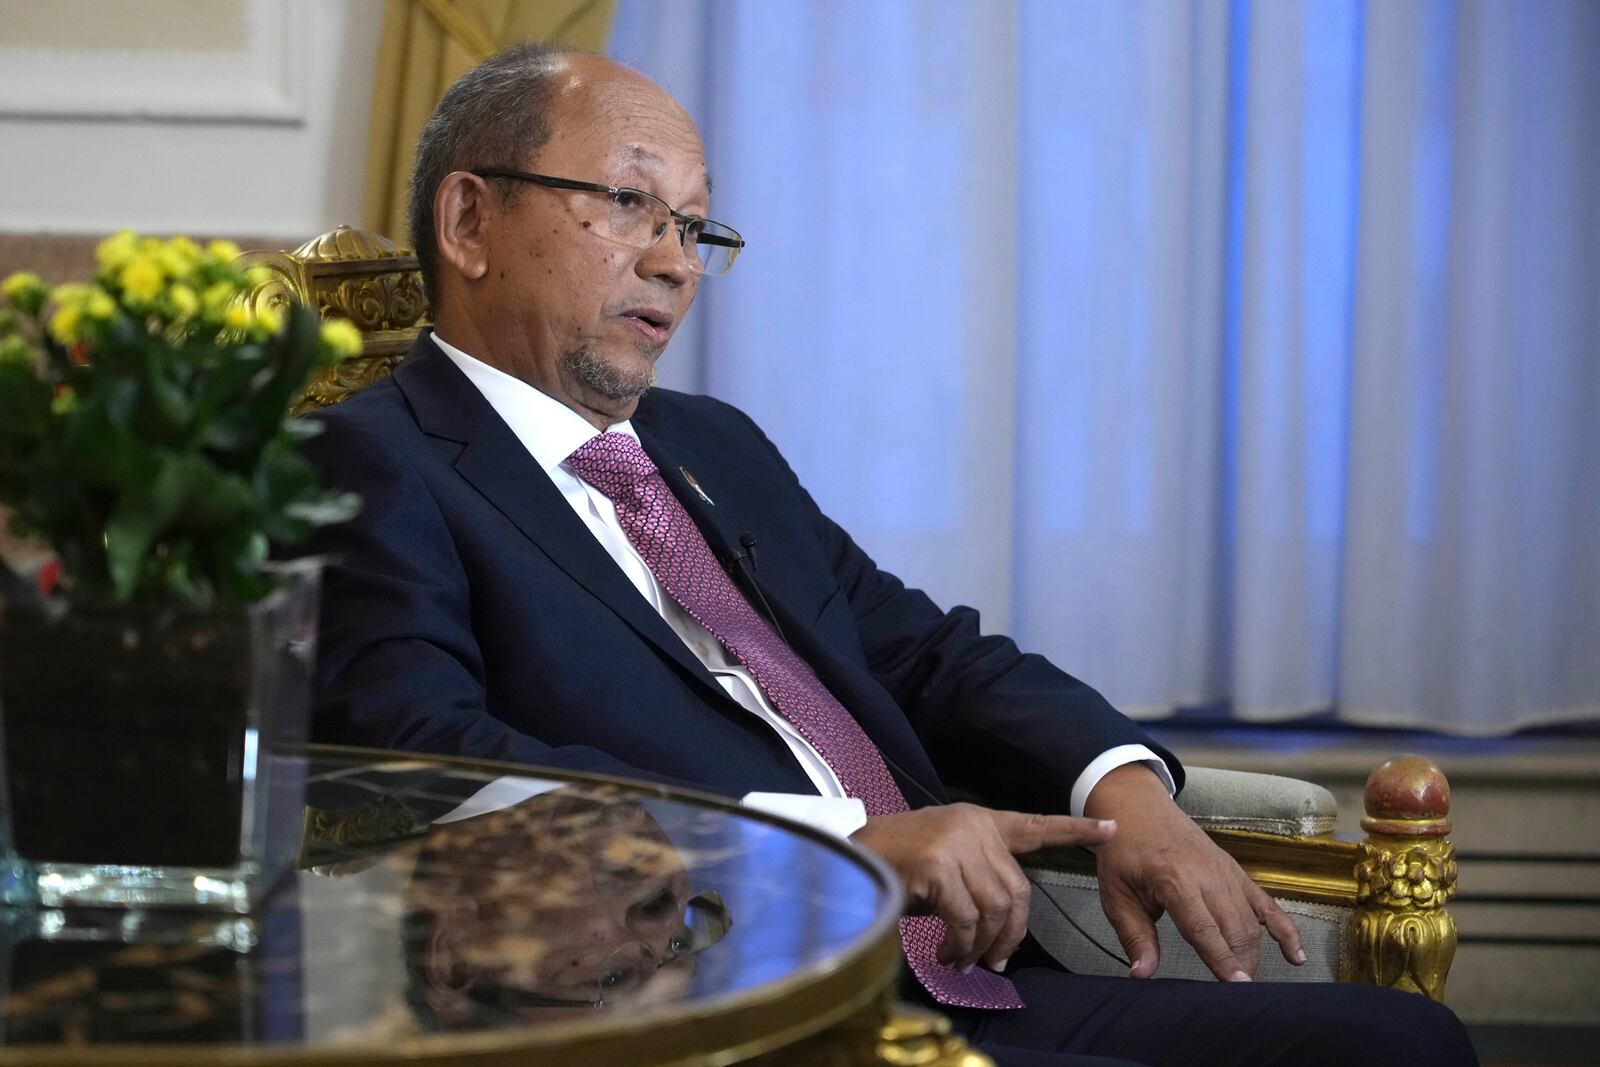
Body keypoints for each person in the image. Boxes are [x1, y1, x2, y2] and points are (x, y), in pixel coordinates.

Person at [298, 42, 1476, 1066]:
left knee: (1398, 1042)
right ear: (469, 222)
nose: (673, 261)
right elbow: (426, 763)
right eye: (626, 203)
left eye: (695, 225)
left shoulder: (712, 443)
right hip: (716, 1003)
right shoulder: (370, 461)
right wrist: (844, 843)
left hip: (952, 978)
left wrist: (1124, 789)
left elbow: (926, 652)